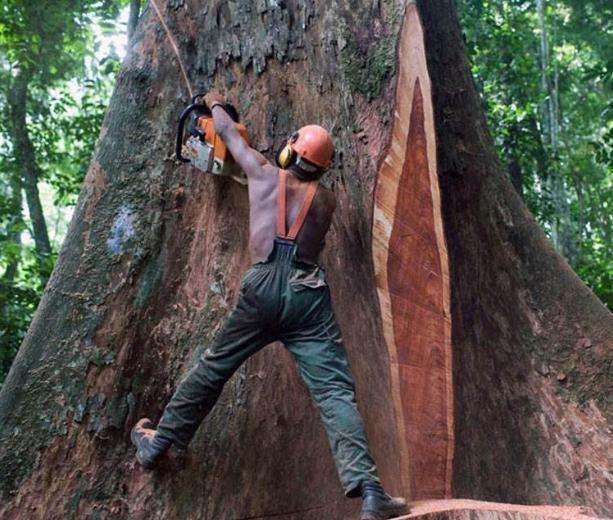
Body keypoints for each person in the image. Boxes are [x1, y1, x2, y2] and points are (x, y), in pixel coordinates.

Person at [131, 91, 408, 520]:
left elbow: (226, 133)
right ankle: (370, 492)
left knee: (213, 367)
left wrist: (216, 103)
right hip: (307, 294)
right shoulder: (328, 201)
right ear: (323, 167)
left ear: (289, 150)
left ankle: (160, 442)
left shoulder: (262, 174)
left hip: (261, 288)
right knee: (334, 391)